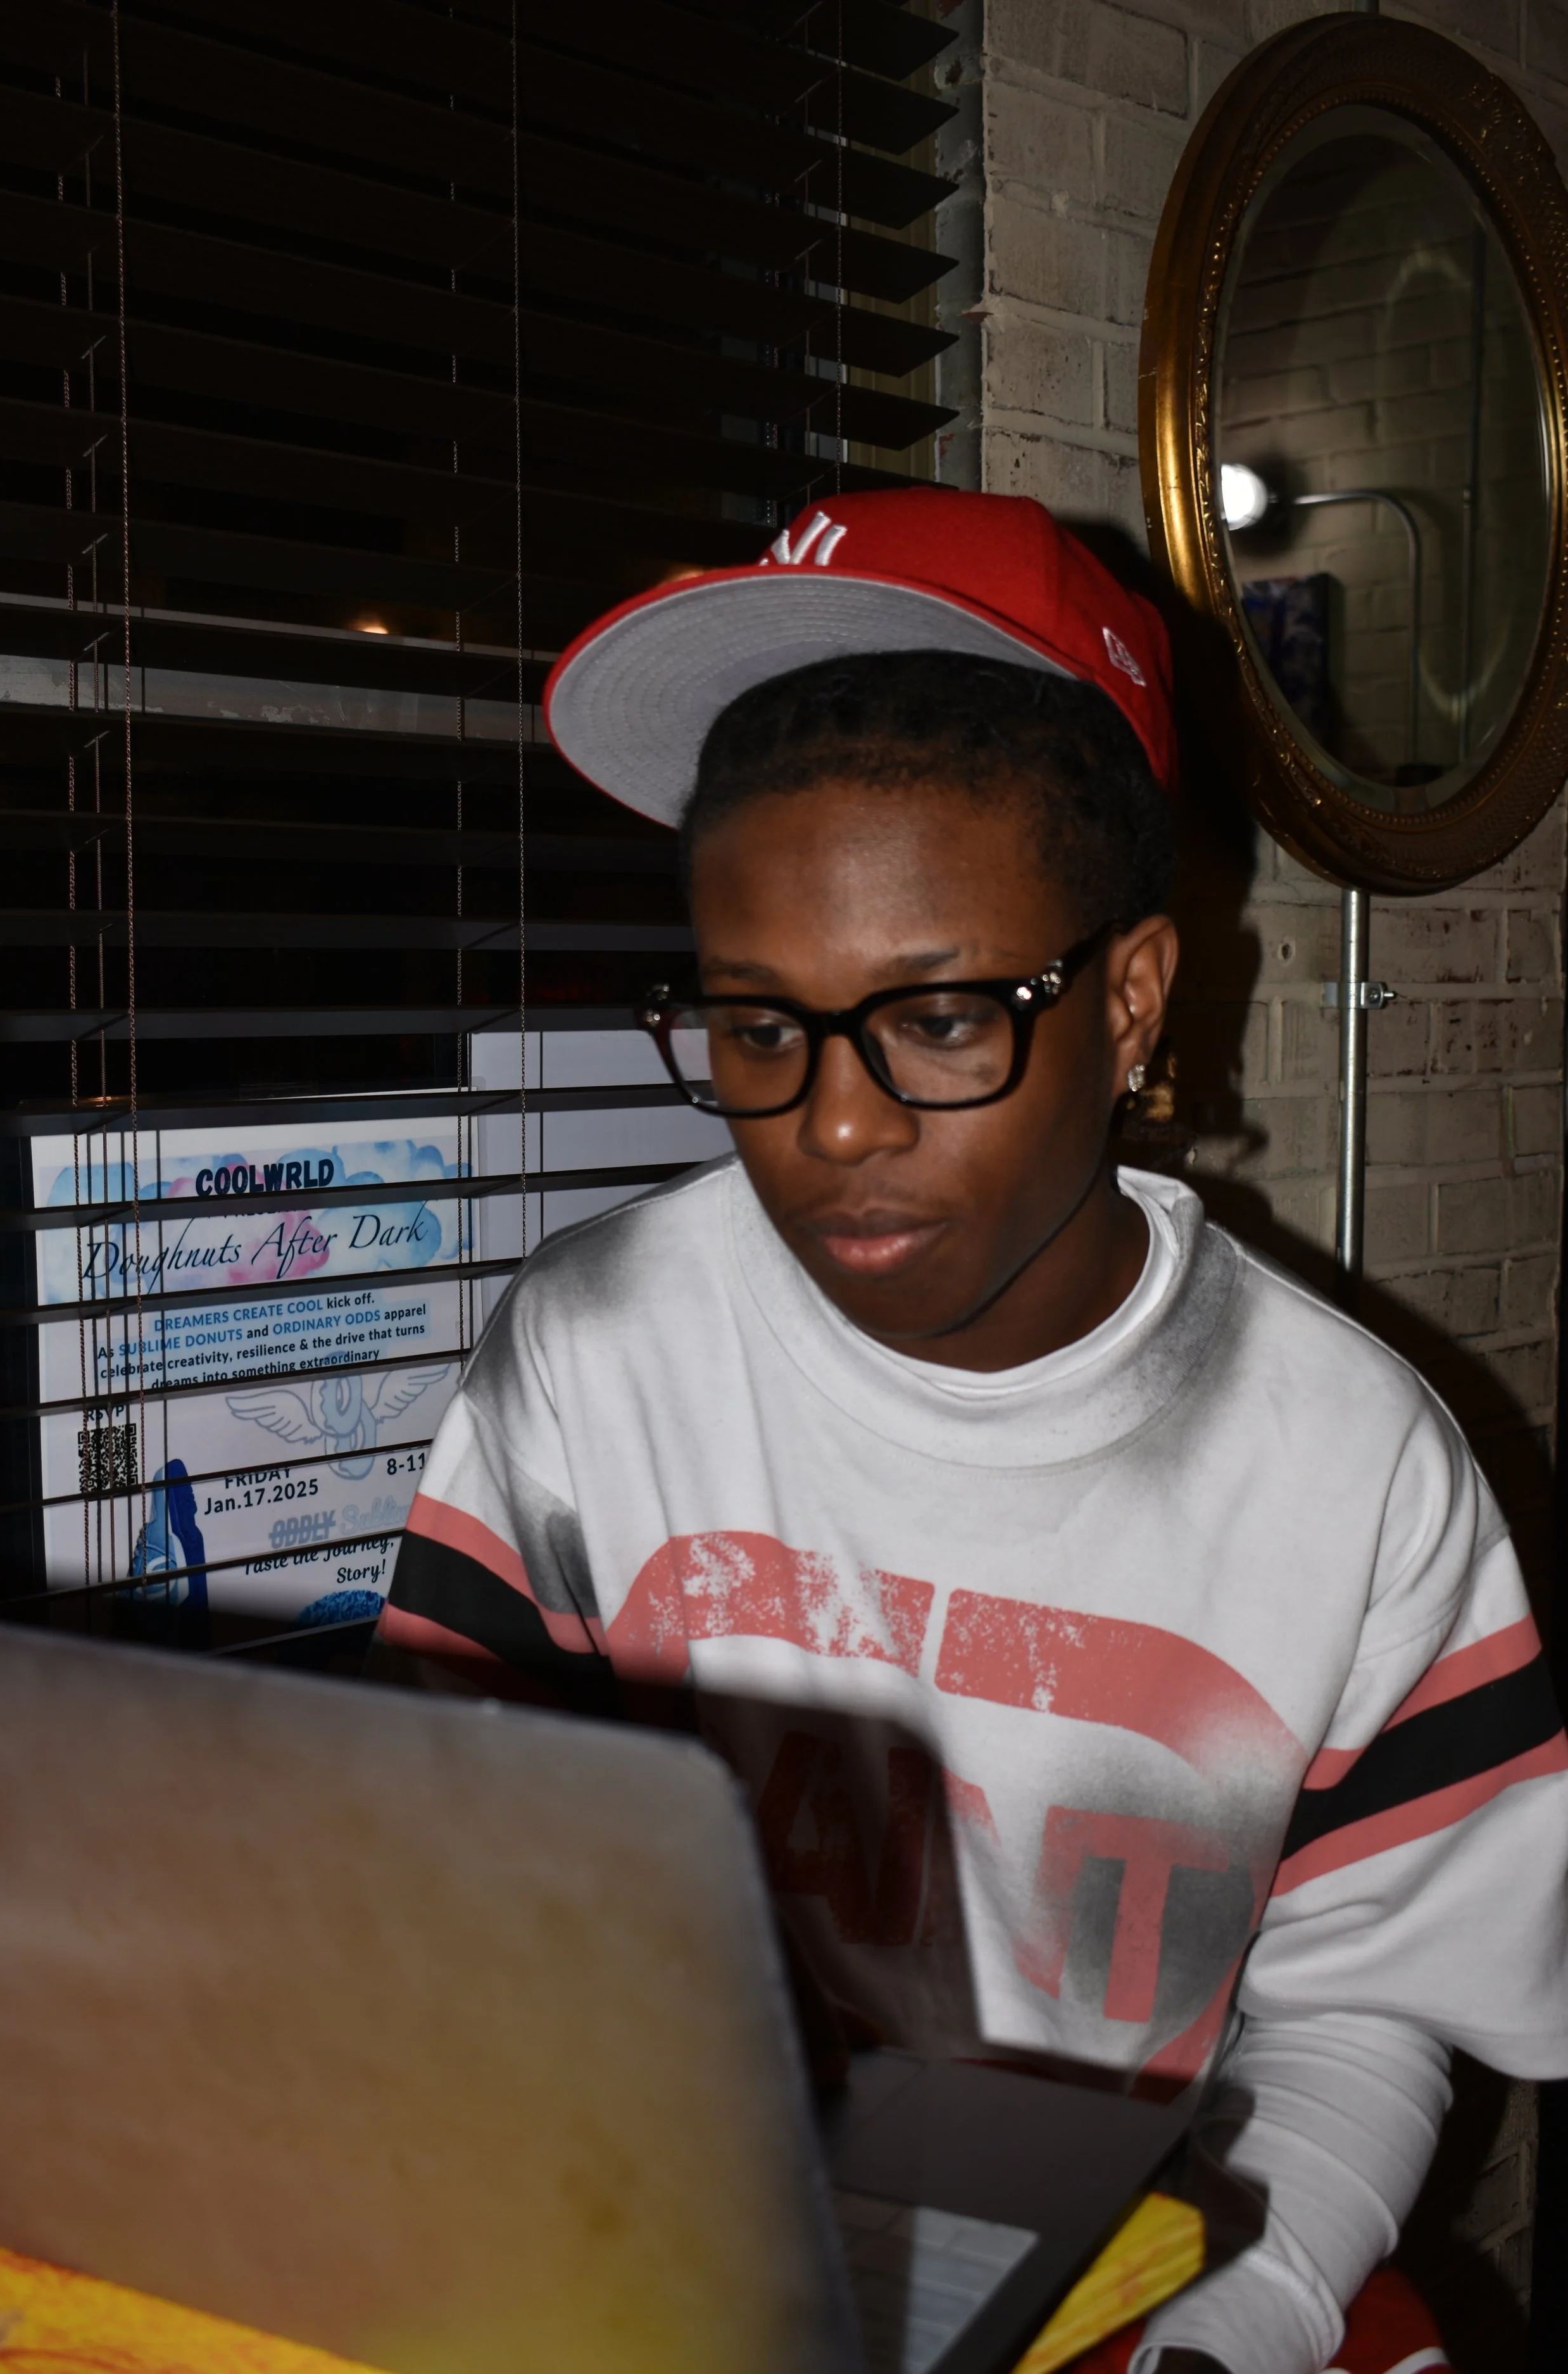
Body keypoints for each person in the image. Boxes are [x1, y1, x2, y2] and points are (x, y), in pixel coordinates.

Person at [365, 490, 1568, 2374]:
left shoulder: (1348, 1461)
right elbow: (443, 1874)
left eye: (935, 1017)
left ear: (1133, 1003)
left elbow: (1366, 2010)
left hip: (1144, 2286)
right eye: (758, 1026)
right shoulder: (595, 1351)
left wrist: (1223, 2325)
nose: (830, 1125)